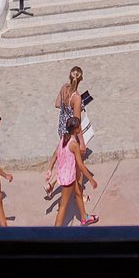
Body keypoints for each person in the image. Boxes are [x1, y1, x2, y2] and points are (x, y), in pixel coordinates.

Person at [45, 65, 84, 194]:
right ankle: (79, 194)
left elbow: (57, 103)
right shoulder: (77, 97)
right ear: (81, 79)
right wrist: (82, 142)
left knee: (63, 154)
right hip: (71, 131)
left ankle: (51, 180)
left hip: (62, 127)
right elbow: (77, 124)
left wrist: (66, 108)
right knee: (77, 163)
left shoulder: (64, 88)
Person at [52, 117, 99, 227]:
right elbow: (81, 165)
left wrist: (50, 169)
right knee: (63, 206)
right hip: (69, 178)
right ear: (76, 129)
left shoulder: (64, 137)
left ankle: (84, 218)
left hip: (68, 175)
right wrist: (91, 180)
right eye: (79, 127)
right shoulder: (74, 144)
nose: (81, 128)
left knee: (78, 194)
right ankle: (55, 233)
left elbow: (55, 153)